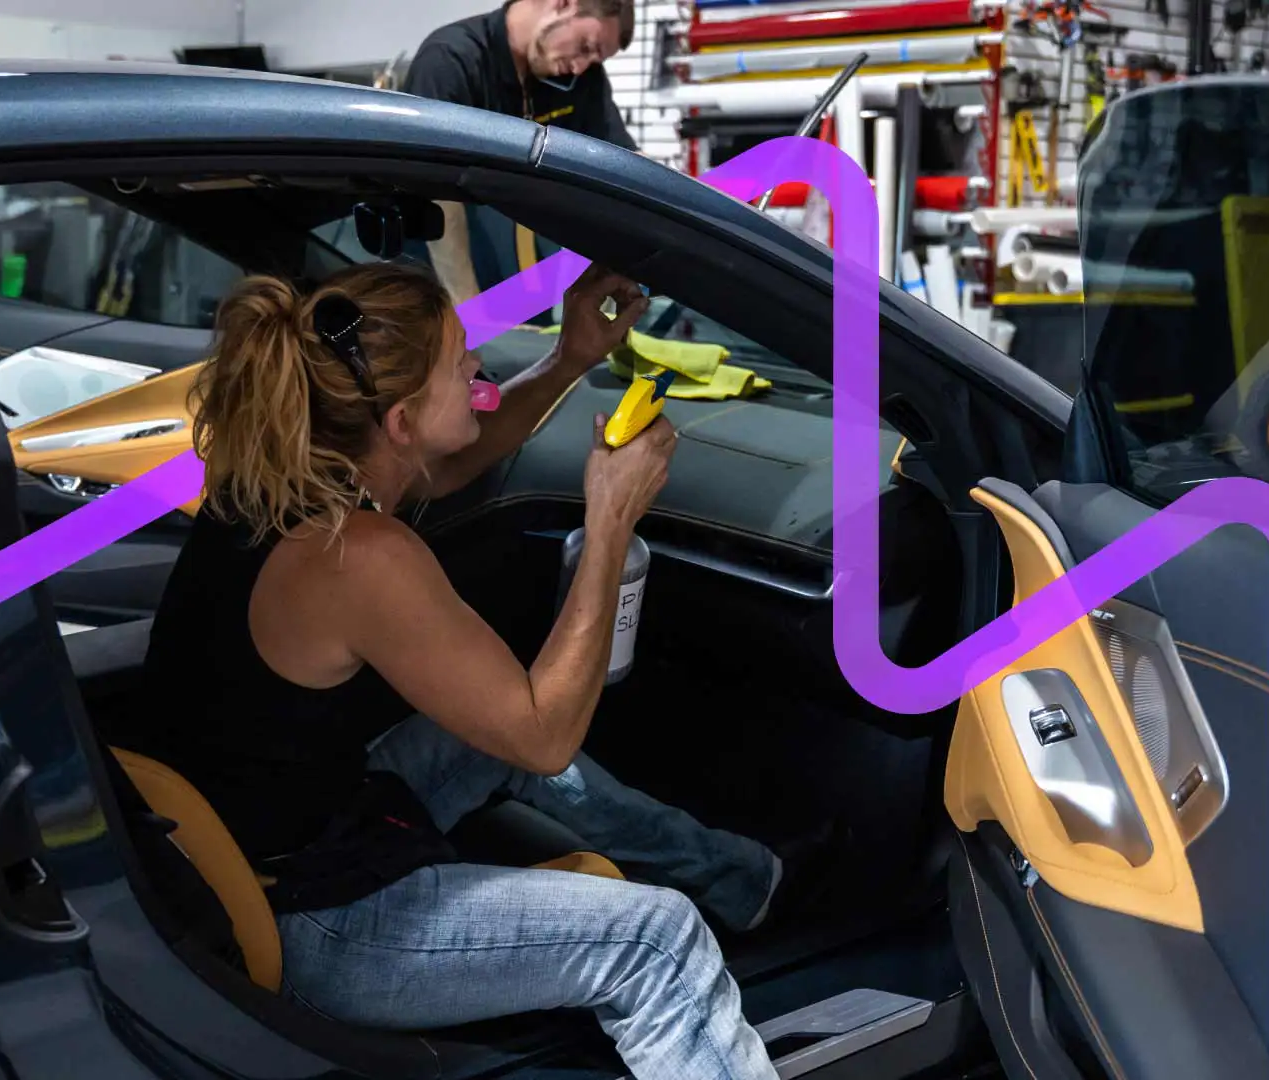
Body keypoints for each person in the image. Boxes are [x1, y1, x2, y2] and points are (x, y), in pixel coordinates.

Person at [119, 258, 835, 1078]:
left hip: (257, 854)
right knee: (658, 943)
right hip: (322, 924)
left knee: (468, 739)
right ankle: (721, 912)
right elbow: (545, 737)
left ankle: (751, 883)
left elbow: (452, 458)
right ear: (396, 423)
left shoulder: (271, 484)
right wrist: (609, 524)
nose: (478, 367)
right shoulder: (361, 557)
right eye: (459, 357)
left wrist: (569, 359)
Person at [403, 0, 638, 307]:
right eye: (585, 46)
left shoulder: (580, 75)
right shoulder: (450, 60)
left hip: (526, 285)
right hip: (442, 289)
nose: (581, 66)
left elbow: (622, 164)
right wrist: (469, 319)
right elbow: (435, 196)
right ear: (563, 4)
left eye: (594, 59)